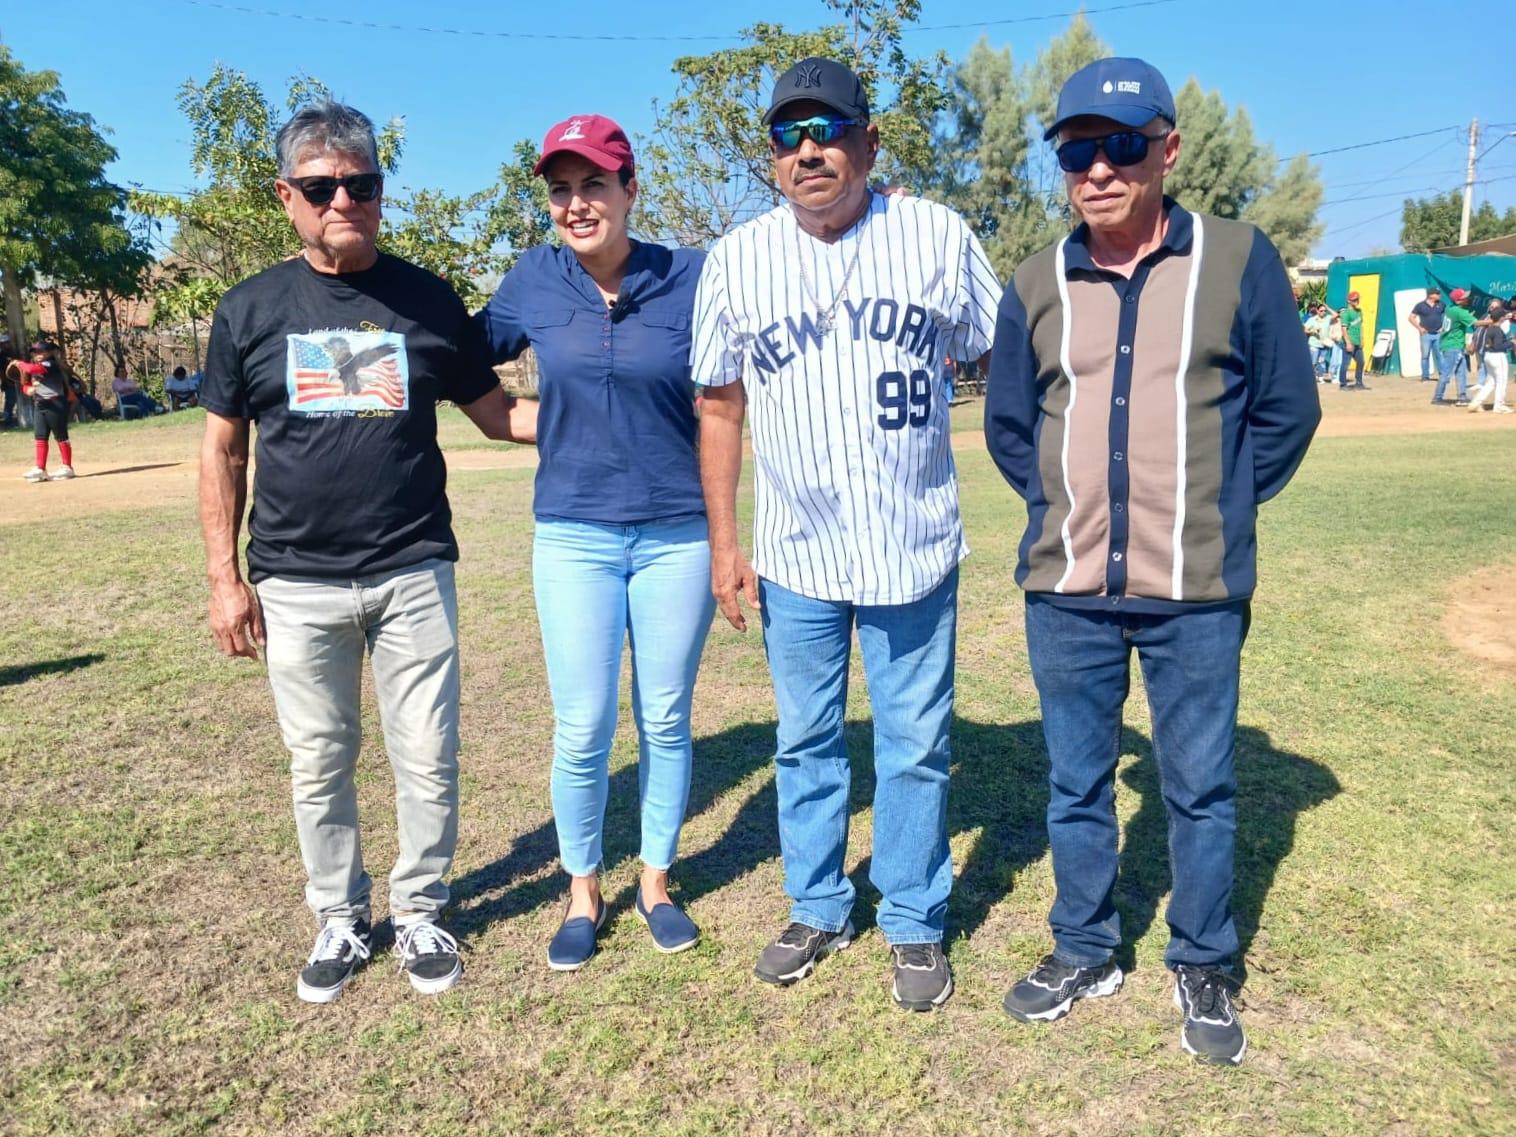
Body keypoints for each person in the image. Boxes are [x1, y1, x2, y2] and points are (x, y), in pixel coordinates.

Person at [985, 56, 1319, 1066]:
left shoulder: (1238, 259)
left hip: (1196, 590)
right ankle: (1083, 947)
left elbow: (1284, 412)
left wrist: (1207, 506)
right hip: (1068, 590)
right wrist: (1066, 506)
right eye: (1077, 150)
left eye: (1120, 147)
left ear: (1166, 152)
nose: (1097, 170)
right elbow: (1010, 426)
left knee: (1200, 786)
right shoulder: (1037, 280)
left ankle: (1204, 959)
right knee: (1077, 782)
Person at [198, 100, 530, 1005]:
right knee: (320, 759)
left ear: (381, 191)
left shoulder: (425, 300)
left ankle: (421, 906)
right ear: (287, 197)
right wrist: (227, 580)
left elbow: (498, 414)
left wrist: (605, 412)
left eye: (361, 183)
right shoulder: (250, 308)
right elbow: (224, 448)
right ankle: (340, 917)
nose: (343, 199)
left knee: (427, 754)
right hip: (295, 581)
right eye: (321, 186)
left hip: (412, 568)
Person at [691, 57, 1001, 1011]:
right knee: (806, 740)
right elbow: (719, 405)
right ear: (773, 160)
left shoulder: (936, 235)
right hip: (797, 552)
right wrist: (724, 543)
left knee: (914, 743)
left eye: (828, 131)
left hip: (913, 543)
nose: (810, 150)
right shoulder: (736, 259)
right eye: (790, 135)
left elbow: (1007, 353)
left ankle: (911, 916)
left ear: (868, 142)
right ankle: (819, 903)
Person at [475, 114, 714, 971]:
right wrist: (511, 421)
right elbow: (461, 356)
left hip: (677, 533)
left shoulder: (692, 275)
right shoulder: (534, 280)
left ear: (629, 189)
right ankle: (582, 888)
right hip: (572, 536)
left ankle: (656, 880)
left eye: (594, 185)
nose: (577, 205)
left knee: (666, 717)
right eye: (561, 190)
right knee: (582, 727)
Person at [12, 340, 77, 481]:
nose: (38, 354)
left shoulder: (51, 364)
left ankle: (67, 467)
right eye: (35, 352)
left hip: (56, 403)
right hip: (40, 404)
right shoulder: (33, 365)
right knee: (40, 437)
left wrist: (19, 363)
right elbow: (26, 384)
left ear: (49, 352)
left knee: (61, 436)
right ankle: (41, 469)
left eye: (42, 351)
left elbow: (33, 370)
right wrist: (28, 389)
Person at [1467, 300, 1511, 413]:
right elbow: (1498, 346)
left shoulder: (1489, 328)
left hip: (1488, 356)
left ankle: (1476, 403)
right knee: (1501, 381)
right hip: (1497, 357)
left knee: (1490, 382)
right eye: (1503, 316)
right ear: (1501, 318)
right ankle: (1499, 405)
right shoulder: (1497, 330)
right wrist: (1512, 343)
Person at [1433, 289, 1475, 405]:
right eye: (1464, 297)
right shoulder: (1459, 312)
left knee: (1461, 372)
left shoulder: (1450, 308)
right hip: (1453, 346)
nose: (1467, 299)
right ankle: (1437, 398)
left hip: (1453, 344)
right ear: (1458, 301)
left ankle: (1462, 397)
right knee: (1446, 373)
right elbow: (1477, 323)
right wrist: (1494, 320)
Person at [1409, 288, 1445, 383]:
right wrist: (1419, 328)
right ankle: (1425, 377)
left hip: (1438, 334)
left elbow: (1447, 316)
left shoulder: (1441, 304)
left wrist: (1443, 327)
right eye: (1437, 294)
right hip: (1426, 334)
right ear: (1430, 295)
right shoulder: (1420, 306)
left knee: (1440, 355)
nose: (1439, 295)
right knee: (1425, 356)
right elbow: (1411, 318)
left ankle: (1443, 375)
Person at [1338, 291, 1366, 389]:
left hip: (1357, 342)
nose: (1357, 301)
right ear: (1349, 301)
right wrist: (1348, 343)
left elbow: (1361, 326)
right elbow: (1344, 329)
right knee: (1345, 364)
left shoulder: (1359, 312)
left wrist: (1362, 339)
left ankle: (1359, 382)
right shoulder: (1346, 314)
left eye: (1357, 299)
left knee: (1361, 362)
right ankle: (1343, 384)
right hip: (1349, 342)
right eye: (1354, 300)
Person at [1303, 303, 1333, 379]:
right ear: (1317, 311)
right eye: (1321, 310)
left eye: (1324, 311)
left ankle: (1320, 377)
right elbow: (1305, 330)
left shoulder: (1328, 318)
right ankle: (1310, 377)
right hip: (1314, 343)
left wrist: (1328, 307)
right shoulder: (1312, 319)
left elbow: (1336, 315)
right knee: (1313, 361)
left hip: (1324, 344)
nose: (1323, 312)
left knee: (1322, 361)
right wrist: (1312, 332)